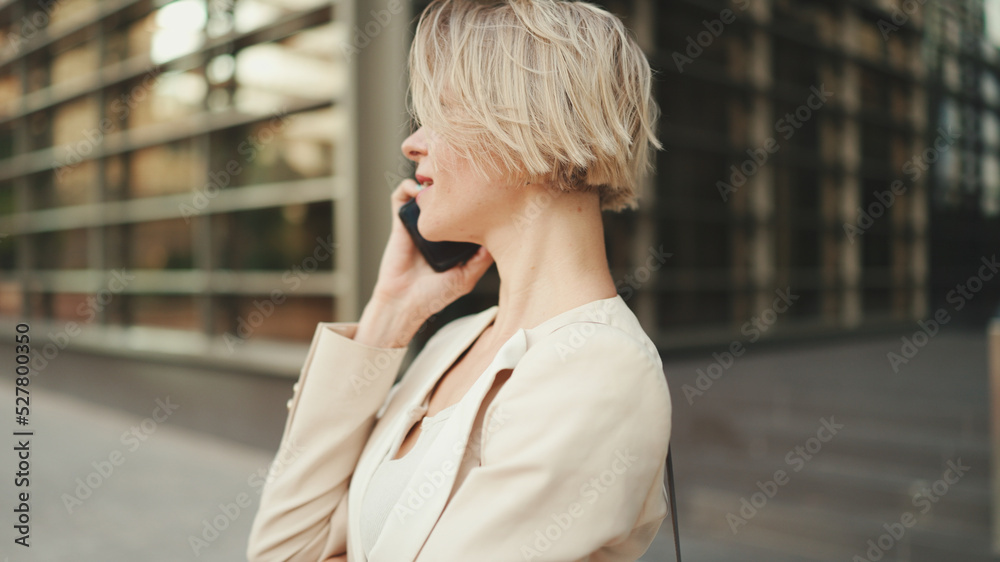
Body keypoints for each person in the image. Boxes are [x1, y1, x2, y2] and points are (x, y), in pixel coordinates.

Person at [246, 1, 672, 560]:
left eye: (442, 113)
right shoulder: (455, 342)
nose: (413, 143)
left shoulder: (597, 370)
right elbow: (284, 551)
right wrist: (391, 315)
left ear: (535, 132)